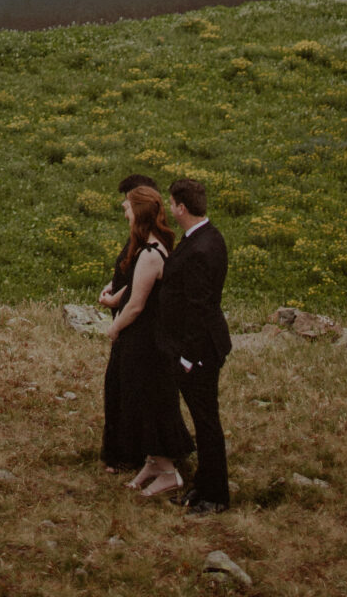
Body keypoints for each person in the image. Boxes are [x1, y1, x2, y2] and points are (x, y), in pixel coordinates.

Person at [101, 183, 193, 497]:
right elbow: (136, 287)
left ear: (138, 212)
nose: (124, 211)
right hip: (150, 339)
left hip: (146, 341)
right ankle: (154, 462)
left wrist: (114, 329)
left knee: (148, 400)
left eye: (127, 207)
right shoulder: (153, 249)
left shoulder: (151, 253)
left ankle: (167, 471)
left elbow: (138, 304)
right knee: (142, 397)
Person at [156, 177, 231, 513]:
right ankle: (203, 487)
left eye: (172, 204)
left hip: (198, 353)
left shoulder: (200, 248)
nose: (170, 210)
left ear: (181, 208)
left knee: (206, 423)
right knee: (204, 421)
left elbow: (199, 310)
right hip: (199, 348)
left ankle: (215, 496)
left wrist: (187, 358)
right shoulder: (206, 237)